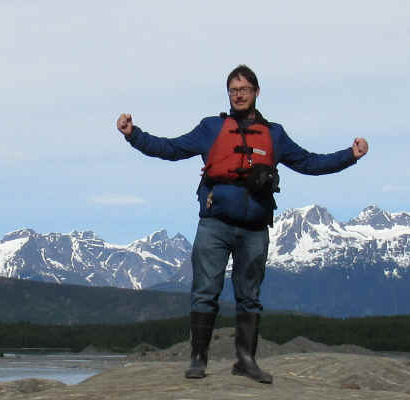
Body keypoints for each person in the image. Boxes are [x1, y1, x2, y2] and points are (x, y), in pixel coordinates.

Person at [116, 65, 368, 384]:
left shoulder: (275, 134)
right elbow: (171, 148)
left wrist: (350, 155)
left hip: (254, 228)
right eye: (233, 90)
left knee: (250, 296)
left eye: (244, 89)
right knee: (205, 291)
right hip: (215, 224)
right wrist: (133, 135)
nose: (238, 95)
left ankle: (246, 360)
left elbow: (309, 162)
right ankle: (198, 359)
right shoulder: (211, 128)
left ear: (256, 92)